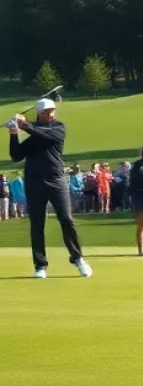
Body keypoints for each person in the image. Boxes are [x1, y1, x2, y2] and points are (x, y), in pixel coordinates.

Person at [6, 98, 92, 278]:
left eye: (52, 110)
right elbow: (16, 156)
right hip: (34, 182)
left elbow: (46, 135)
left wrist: (24, 125)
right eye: (46, 111)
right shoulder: (33, 136)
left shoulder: (58, 128)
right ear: (39, 113)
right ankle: (40, 266)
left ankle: (78, 258)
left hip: (57, 180)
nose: (51, 113)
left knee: (67, 219)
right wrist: (14, 132)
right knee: (37, 223)